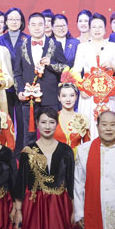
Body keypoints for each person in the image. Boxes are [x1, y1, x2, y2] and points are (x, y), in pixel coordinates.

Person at [13, 12, 69, 150]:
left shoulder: (55, 44)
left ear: (45, 26)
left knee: (52, 133)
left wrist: (51, 63)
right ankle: (30, 162)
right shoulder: (21, 46)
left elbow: (65, 68)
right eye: (33, 24)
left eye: (40, 24)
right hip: (29, 99)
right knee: (28, 136)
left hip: (49, 97)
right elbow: (17, 73)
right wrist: (20, 91)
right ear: (28, 27)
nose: (37, 28)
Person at [74, 13, 115, 138]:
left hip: (108, 93)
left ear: (105, 29)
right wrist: (81, 88)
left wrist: (112, 65)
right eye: (94, 27)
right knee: (88, 123)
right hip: (88, 93)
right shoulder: (82, 47)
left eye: (100, 27)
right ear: (89, 29)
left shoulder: (113, 46)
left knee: (107, 122)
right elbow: (76, 71)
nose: (97, 30)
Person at [0, 7, 29, 137]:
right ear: (6, 21)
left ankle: (21, 146)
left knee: (23, 121)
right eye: (11, 19)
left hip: (23, 85)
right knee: (6, 119)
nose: (14, 22)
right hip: (5, 86)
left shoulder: (28, 39)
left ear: (21, 21)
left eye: (17, 19)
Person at [53, 73, 91, 150]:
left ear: (76, 97)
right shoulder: (53, 117)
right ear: (59, 98)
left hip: (77, 156)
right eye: (64, 96)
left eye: (72, 95)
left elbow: (87, 146)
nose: (68, 99)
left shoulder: (83, 119)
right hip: (56, 156)